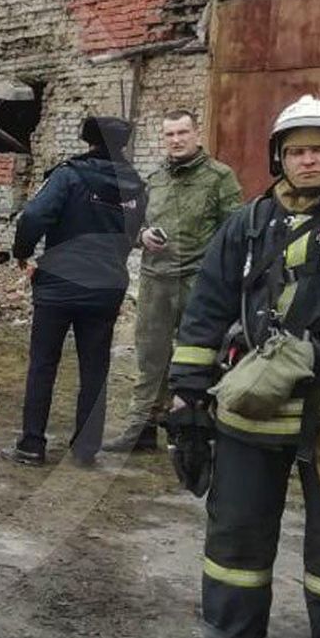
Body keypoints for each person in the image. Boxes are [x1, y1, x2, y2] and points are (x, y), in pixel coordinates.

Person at [166, 95, 320, 638]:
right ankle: (228, 629)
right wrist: (187, 392)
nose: (309, 161)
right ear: (278, 158)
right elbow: (207, 309)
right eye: (297, 151)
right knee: (236, 522)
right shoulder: (248, 223)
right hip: (251, 403)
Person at [1, 116, 147, 467]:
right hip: (106, 286)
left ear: (88, 141)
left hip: (59, 284)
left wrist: (23, 253)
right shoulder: (136, 186)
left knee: (43, 365)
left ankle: (32, 445)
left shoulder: (69, 175)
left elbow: (33, 216)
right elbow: (132, 234)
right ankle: (85, 449)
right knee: (95, 367)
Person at [102, 111, 242, 452]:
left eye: (182, 132)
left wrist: (221, 275)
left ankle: (195, 431)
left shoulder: (220, 178)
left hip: (198, 283)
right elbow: (132, 223)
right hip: (155, 281)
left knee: (199, 356)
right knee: (151, 356)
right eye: (169, 134)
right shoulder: (154, 178)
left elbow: (236, 231)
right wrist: (142, 236)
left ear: (197, 134)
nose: (176, 140)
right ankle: (143, 427)